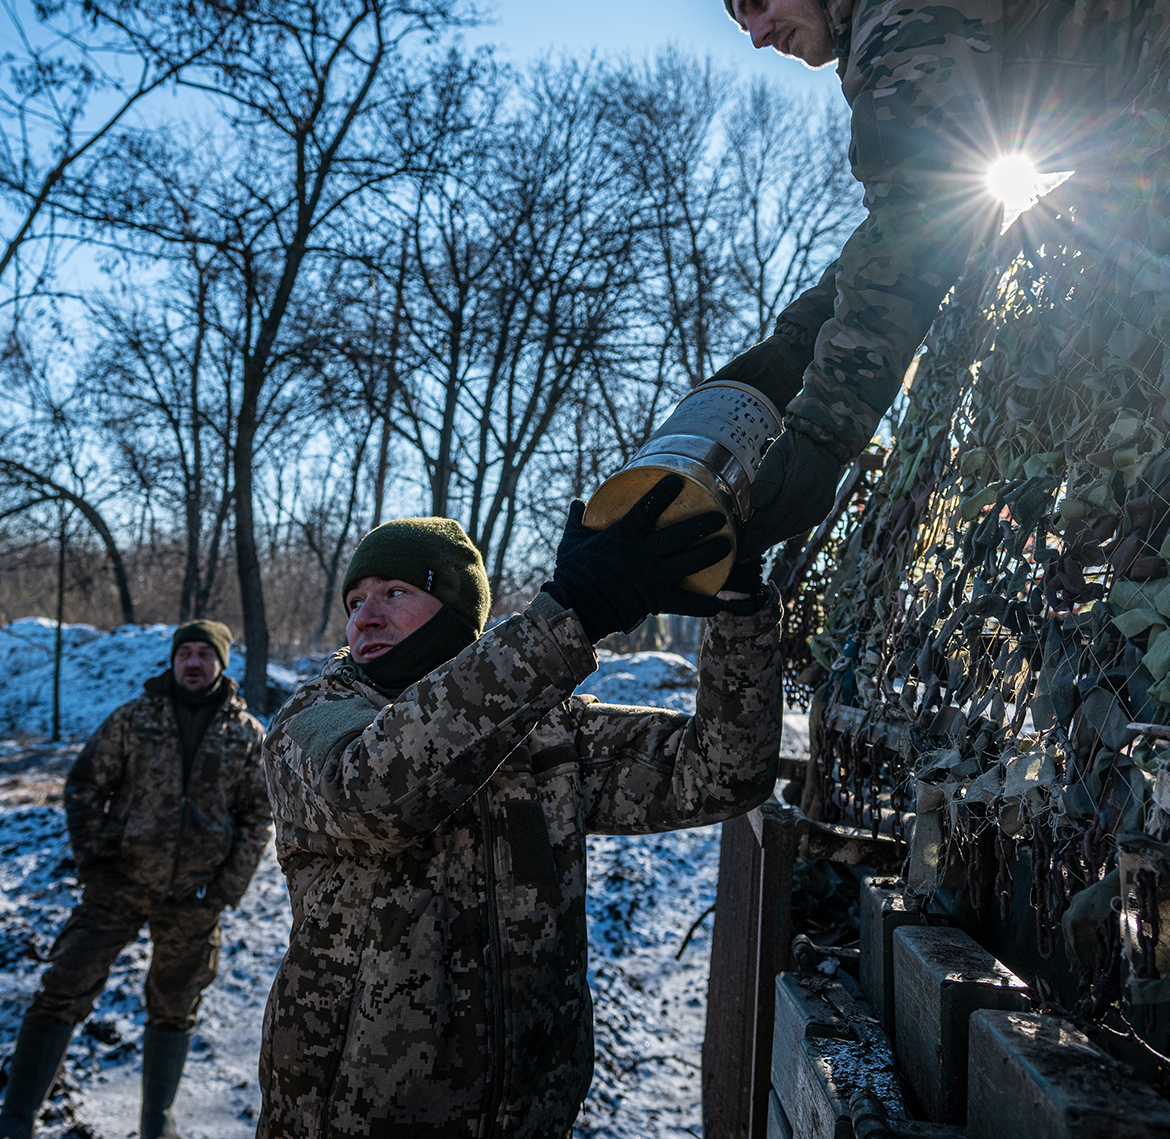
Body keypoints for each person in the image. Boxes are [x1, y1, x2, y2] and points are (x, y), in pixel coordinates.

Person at [257, 479, 783, 1137]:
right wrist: (572, 613)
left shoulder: (549, 737)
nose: (363, 616)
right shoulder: (311, 721)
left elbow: (721, 773)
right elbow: (373, 794)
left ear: (455, 612)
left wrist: (738, 607)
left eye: (394, 593)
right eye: (355, 600)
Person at [713, 0, 1170, 556]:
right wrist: (797, 344)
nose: (761, 35)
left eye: (759, 0)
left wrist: (823, 435)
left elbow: (922, 219)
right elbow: (904, 220)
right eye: (746, 27)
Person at [0, 620, 273, 1139]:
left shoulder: (247, 734)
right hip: (120, 883)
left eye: (204, 654)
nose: (193, 662)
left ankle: (156, 1121)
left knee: (176, 1005)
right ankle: (15, 1118)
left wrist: (226, 888)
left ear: (221, 664)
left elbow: (258, 816)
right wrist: (94, 864)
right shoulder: (135, 718)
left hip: (194, 897)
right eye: (184, 652)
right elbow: (85, 784)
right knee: (63, 985)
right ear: (172, 659)